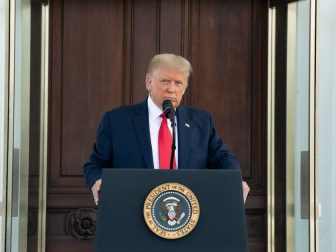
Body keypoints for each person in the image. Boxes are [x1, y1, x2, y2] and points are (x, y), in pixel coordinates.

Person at [83, 53, 250, 205]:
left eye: (178, 83)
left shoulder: (201, 121)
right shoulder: (117, 120)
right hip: (133, 209)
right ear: (149, 82)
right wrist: (96, 180)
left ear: (184, 88)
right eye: (165, 81)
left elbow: (222, 157)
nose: (172, 89)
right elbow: (95, 165)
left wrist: (235, 180)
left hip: (186, 215)